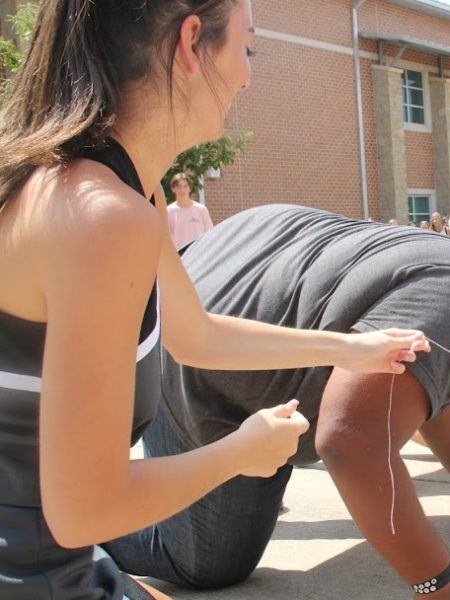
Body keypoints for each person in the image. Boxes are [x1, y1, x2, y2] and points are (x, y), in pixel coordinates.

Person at [0, 3, 428, 599]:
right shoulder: (103, 216)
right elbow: (84, 509)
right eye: (246, 49)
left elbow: (195, 334)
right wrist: (239, 453)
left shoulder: (110, 191)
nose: (248, 77)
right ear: (191, 42)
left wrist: (352, 349)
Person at [103, 203, 450, 598]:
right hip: (196, 347)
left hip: (213, 280)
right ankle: (55, 520)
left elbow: (428, 392)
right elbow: (350, 442)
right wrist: (440, 588)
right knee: (209, 563)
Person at [166, 172, 214, 249]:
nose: (182, 190)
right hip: (178, 257)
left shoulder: (201, 209)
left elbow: (210, 234)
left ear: (190, 188)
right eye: (179, 187)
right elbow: (165, 238)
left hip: (198, 254)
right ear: (173, 189)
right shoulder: (168, 211)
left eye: (185, 186)